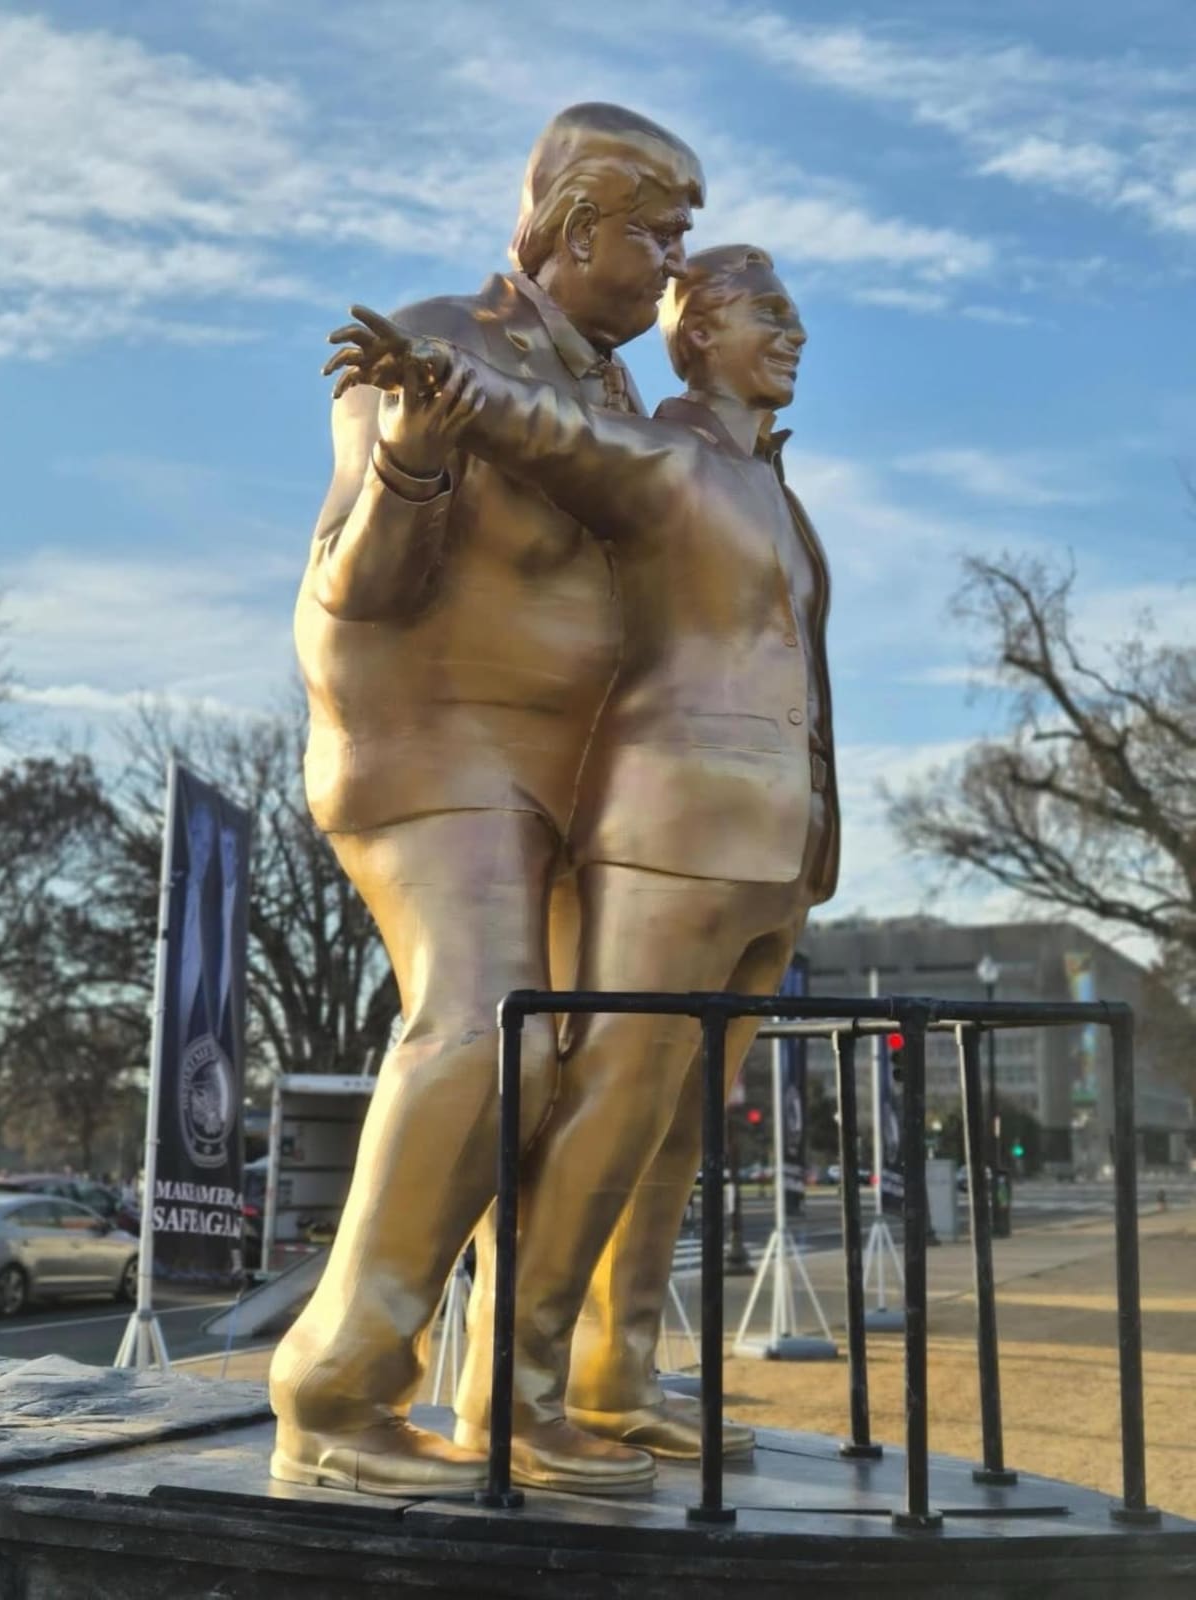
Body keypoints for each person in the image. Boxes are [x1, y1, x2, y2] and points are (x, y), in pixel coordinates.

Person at [332, 242, 839, 1481]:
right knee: (608, 1101)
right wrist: (438, 380)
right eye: (769, 314)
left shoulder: (778, 486)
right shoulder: (667, 457)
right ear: (699, 333)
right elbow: (549, 431)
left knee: (673, 1123)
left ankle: (614, 1374)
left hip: (777, 843)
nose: (797, 335)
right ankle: (517, 1391)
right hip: (670, 828)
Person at [269, 103, 704, 1499]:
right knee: (485, 1036)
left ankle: (522, 1400)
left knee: (606, 1072)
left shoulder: (625, 396)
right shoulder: (433, 342)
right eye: (658, 234)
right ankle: (332, 1397)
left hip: (587, 787)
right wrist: (411, 456)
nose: (670, 267)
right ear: (578, 229)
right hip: (438, 755)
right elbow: (353, 590)